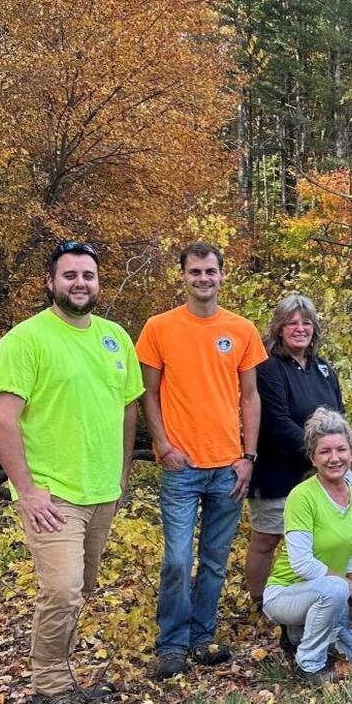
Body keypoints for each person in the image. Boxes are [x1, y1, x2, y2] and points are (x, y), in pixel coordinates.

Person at [0, 240, 144, 704]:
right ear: (51, 281)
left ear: (99, 282)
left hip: (102, 491)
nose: (80, 283)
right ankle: (49, 688)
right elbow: (3, 417)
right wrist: (27, 489)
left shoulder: (116, 338)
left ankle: (63, 676)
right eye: (70, 275)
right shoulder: (25, 340)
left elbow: (128, 409)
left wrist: (121, 475)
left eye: (89, 275)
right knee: (62, 589)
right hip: (52, 495)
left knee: (83, 589)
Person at [136, 241, 267, 680]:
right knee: (177, 558)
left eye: (210, 271)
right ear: (183, 276)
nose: (203, 279)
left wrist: (249, 455)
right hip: (181, 467)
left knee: (214, 559)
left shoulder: (242, 329)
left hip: (228, 465)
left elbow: (250, 396)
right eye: (195, 272)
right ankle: (171, 645)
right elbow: (148, 395)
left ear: (222, 275)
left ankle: (202, 637)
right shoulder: (159, 327)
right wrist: (163, 446)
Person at [262, 408, 352, 682]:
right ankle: (309, 664)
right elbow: (302, 564)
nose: (334, 458)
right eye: (325, 452)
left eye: (341, 449)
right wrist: (349, 587)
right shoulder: (301, 496)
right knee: (334, 588)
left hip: (335, 591)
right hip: (286, 593)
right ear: (312, 457)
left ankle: (320, 634)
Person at [248, 294, 344, 613]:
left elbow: (338, 419)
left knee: (316, 541)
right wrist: (321, 455)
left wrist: (333, 459)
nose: (300, 328)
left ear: (314, 329)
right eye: (292, 322)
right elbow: (277, 424)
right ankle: (261, 602)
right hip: (278, 472)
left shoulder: (324, 369)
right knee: (268, 540)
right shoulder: (268, 368)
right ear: (278, 329)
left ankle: (312, 596)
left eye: (306, 322)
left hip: (321, 474)